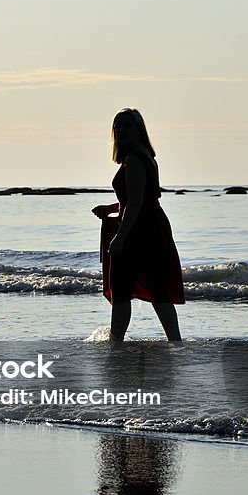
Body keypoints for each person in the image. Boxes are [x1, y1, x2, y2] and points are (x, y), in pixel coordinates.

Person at [92, 108, 184, 341]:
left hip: (139, 231)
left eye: (127, 126)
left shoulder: (134, 160)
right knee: (158, 288)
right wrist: (111, 209)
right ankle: (175, 340)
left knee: (122, 290)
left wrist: (119, 237)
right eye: (118, 127)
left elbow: (135, 204)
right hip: (153, 227)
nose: (121, 130)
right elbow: (139, 198)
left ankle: (116, 341)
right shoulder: (146, 157)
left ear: (139, 129)